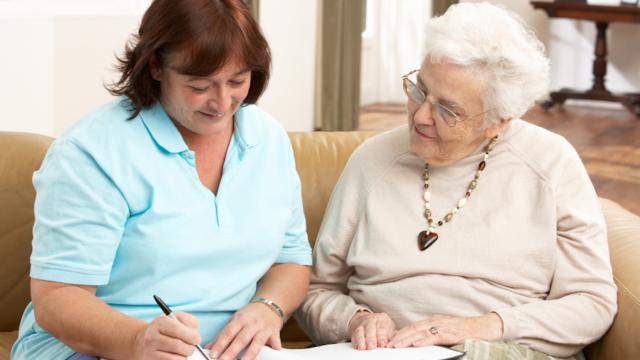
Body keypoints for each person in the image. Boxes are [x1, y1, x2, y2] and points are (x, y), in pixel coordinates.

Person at [296, 3, 616, 359]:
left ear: (499, 120)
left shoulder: (550, 163)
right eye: (419, 90)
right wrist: (354, 320)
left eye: (448, 109)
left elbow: (592, 303)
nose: (420, 115)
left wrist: (485, 326)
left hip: (499, 349)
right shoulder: (372, 160)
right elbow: (313, 290)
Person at [11, 1, 311, 359]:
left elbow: (291, 260)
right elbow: (58, 298)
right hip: (97, 349)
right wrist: (139, 341)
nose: (222, 102)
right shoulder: (92, 153)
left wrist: (268, 307)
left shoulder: (268, 139)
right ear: (155, 66)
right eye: (200, 85)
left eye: (237, 80)